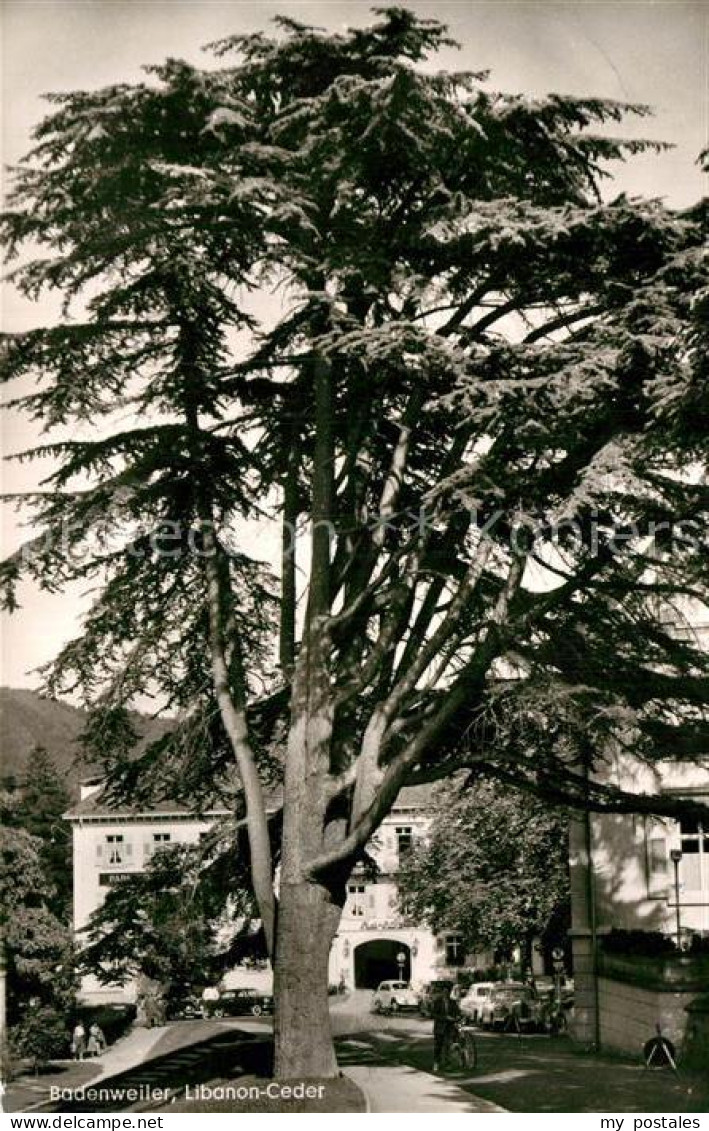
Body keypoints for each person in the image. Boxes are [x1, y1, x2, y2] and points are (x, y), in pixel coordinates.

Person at [431, 985, 459, 1072]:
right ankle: (436, 1063)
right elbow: (434, 1014)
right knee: (438, 1046)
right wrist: (445, 1018)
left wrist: (458, 1016)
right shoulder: (437, 1002)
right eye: (444, 992)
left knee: (448, 1046)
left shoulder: (453, 1002)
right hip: (440, 1027)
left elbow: (457, 1011)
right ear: (442, 992)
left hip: (449, 1027)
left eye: (448, 992)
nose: (446, 994)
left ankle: (447, 1063)